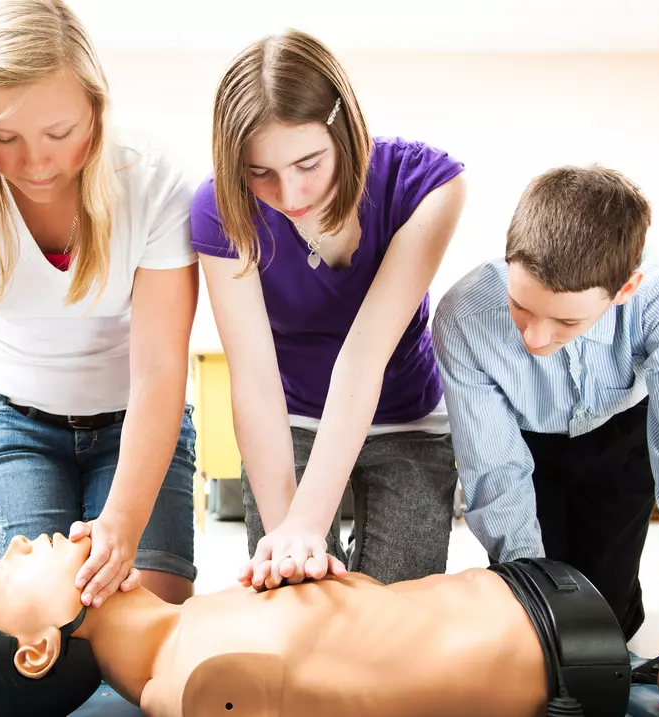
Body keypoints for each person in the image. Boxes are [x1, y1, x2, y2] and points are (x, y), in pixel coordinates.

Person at [0, 0, 199, 615]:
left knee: (138, 615)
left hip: (130, 420)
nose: (36, 163)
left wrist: (123, 522)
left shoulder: (153, 178)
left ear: (96, 105)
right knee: (18, 614)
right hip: (14, 425)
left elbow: (161, 369)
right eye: (3, 137)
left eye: (59, 133)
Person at [431, 164, 659, 716]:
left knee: (609, 619)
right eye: (521, 308)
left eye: (566, 322)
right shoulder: (464, 313)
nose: (535, 338)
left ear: (624, 291)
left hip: (620, 437)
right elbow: (495, 470)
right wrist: (539, 612)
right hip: (525, 442)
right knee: (555, 621)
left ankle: (618, 604)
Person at [190, 29, 468, 592]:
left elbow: (364, 357)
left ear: (342, 129)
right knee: (292, 599)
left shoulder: (427, 186)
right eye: (259, 172)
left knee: (391, 616)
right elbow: (254, 380)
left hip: (407, 418)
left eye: (308, 163)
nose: (290, 195)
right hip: (289, 421)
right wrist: (291, 533)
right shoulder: (220, 208)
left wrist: (312, 522)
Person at [0, 528, 659, 717]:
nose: (22, 542)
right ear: (37, 651)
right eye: (3, 568)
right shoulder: (203, 686)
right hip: (559, 647)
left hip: (536, 598)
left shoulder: (193, 628)